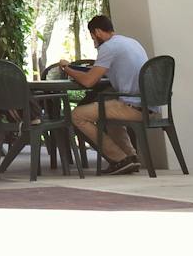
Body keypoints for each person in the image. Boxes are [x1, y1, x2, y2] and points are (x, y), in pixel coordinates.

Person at [51, 14, 148, 175]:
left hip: (133, 106)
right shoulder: (131, 42)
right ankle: (130, 157)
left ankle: (118, 159)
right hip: (148, 105)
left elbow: (89, 81)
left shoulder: (108, 47)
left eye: (92, 37)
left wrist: (67, 68)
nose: (93, 41)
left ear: (96, 32)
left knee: (77, 115)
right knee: (108, 113)